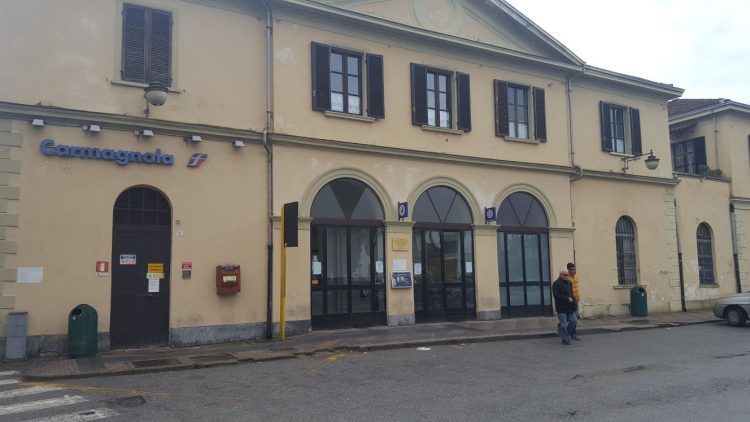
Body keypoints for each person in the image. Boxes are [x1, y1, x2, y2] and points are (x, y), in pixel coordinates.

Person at [553, 269, 578, 345]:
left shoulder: (569, 283)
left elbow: (571, 294)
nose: (567, 276)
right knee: (564, 324)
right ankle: (565, 339)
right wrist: (567, 298)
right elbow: (556, 296)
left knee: (574, 321)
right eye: (565, 275)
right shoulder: (556, 284)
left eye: (567, 275)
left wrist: (574, 303)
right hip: (561, 307)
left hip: (570, 307)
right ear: (560, 275)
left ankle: (565, 332)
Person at [567, 262, 581, 340]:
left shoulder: (576, 277)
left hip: (576, 300)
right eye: (572, 269)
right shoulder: (567, 278)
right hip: (571, 302)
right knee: (573, 319)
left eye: (574, 269)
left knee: (576, 318)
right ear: (568, 270)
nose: (573, 271)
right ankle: (567, 333)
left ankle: (573, 334)